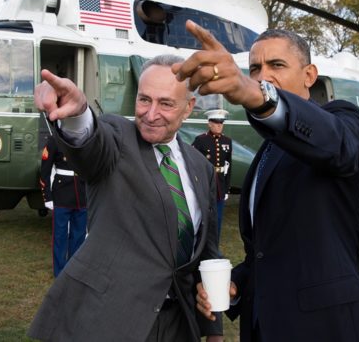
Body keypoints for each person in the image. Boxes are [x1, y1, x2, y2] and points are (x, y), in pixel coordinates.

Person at [176, 21, 359, 341]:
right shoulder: (269, 150)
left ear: (309, 75)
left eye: (276, 65)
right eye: (254, 69)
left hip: (327, 328)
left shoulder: (342, 121)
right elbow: (266, 253)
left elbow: (338, 145)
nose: (263, 76)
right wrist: (235, 284)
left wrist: (260, 96)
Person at [28, 55, 223, 342]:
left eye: (166, 103)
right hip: (111, 319)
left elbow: (207, 253)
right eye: (144, 99)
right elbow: (92, 142)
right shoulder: (118, 138)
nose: (150, 113)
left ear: (188, 107)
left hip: (178, 323)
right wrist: (78, 112)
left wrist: (214, 331)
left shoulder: (201, 167)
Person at [40, 135, 88, 278]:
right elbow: (45, 170)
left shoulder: (86, 138)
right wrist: (47, 196)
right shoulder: (55, 140)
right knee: (60, 235)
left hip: (82, 193)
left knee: (79, 235)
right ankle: (60, 272)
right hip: (62, 193)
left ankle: (75, 269)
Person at [192, 109, 232, 236]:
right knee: (203, 217)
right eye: (216, 122)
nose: (219, 125)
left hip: (220, 185)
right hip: (205, 184)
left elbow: (228, 165)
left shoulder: (227, 141)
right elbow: (193, 163)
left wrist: (226, 188)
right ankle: (200, 245)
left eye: (221, 122)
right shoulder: (201, 140)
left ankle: (214, 247)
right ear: (209, 124)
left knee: (217, 219)